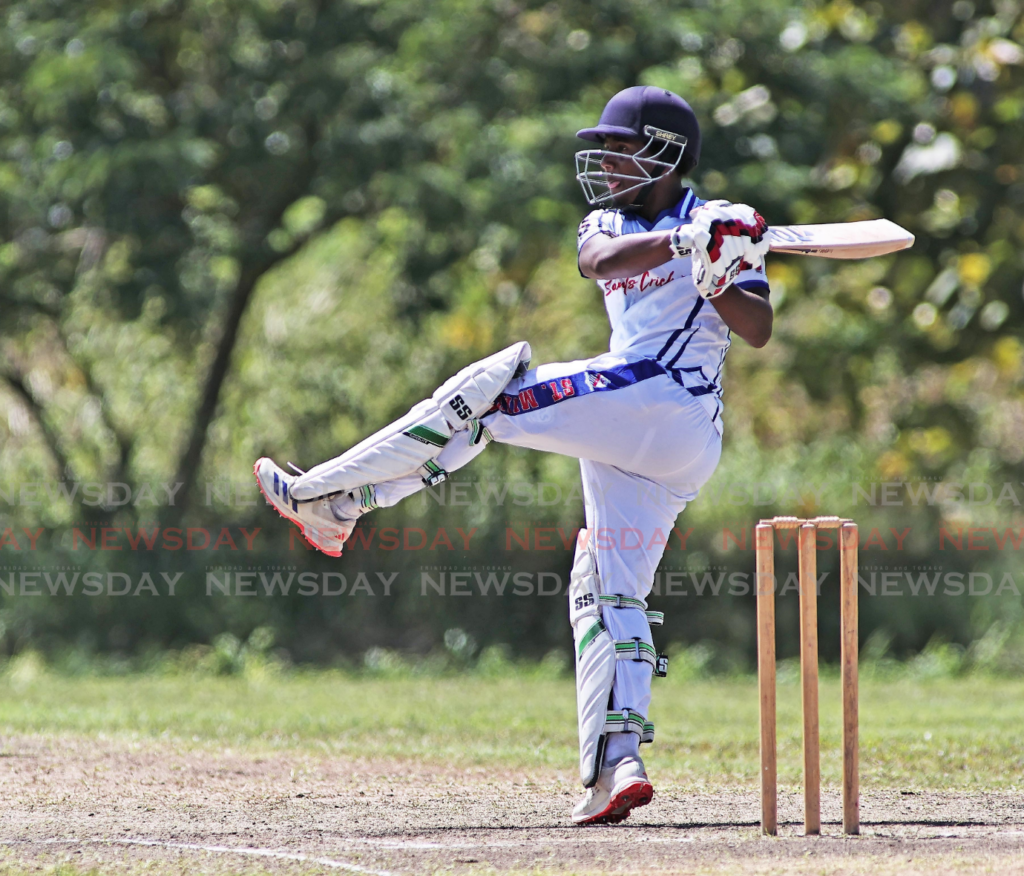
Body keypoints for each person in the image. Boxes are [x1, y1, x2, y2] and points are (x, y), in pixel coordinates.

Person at [254, 85, 772, 825]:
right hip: (631, 426)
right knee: (606, 585)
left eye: (623, 149)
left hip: (673, 407)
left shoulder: (721, 226)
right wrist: (680, 243)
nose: (609, 162)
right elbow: (598, 260)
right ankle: (616, 767)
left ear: (666, 154)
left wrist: (721, 267)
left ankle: (337, 498)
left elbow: (756, 330)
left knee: (491, 391)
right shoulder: (614, 221)